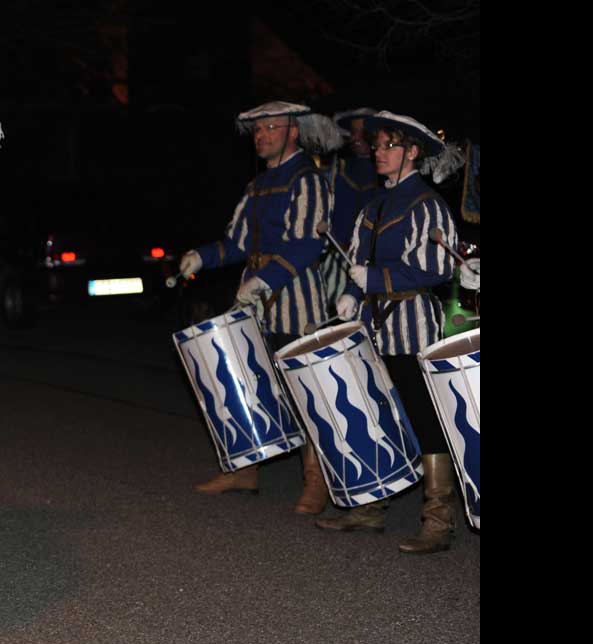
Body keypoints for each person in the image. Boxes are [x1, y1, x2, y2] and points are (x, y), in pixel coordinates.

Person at [177, 101, 340, 514]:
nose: (261, 136)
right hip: (253, 299)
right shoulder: (258, 186)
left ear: (293, 132)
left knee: (304, 388)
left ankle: (316, 478)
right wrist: (201, 257)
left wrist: (265, 279)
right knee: (245, 380)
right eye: (258, 130)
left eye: (271, 128)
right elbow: (236, 243)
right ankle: (244, 468)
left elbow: (308, 244)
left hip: (296, 297)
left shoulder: (308, 179)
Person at [320, 111, 464, 554]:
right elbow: (357, 260)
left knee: (424, 416)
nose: (378, 153)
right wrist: (350, 293)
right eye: (377, 146)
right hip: (372, 326)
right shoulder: (373, 206)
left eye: (389, 146)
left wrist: (376, 279)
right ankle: (371, 505)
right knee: (375, 413)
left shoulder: (426, 204)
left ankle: (438, 521)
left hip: (411, 323)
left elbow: (438, 268)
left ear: (413, 152)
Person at [317, 107, 379, 305]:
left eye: (363, 132)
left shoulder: (388, 173)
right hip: (338, 261)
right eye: (353, 132)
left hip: (377, 265)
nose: (357, 137)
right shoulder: (339, 168)